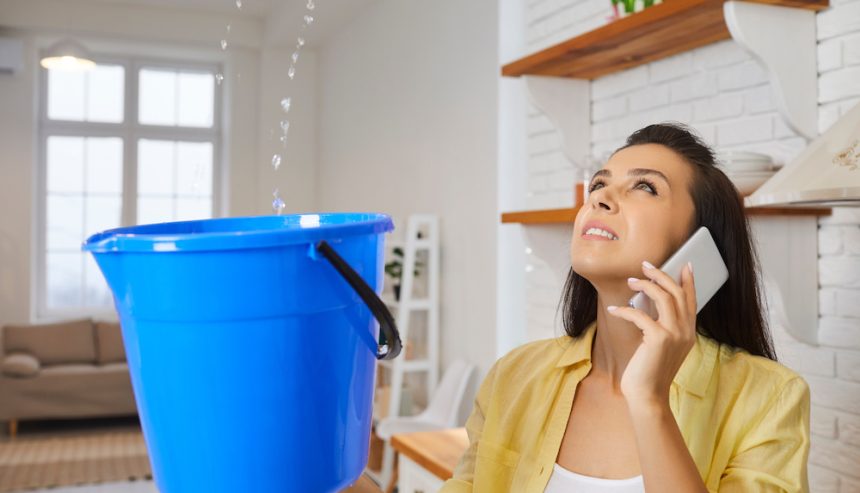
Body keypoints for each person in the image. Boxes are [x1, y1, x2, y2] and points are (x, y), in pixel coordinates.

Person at [439, 123, 810, 492]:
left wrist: (650, 401)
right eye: (599, 184)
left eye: (645, 187)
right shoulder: (513, 376)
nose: (598, 198)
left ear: (699, 244)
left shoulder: (769, 398)